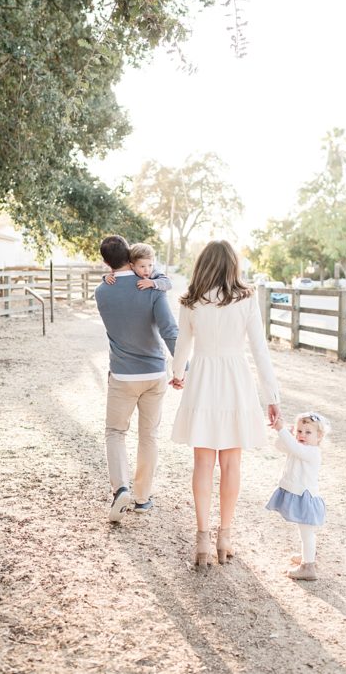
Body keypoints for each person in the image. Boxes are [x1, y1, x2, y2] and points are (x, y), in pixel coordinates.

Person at [168, 239, 281, 569]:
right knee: (231, 464)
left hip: (203, 379)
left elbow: (183, 345)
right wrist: (272, 398)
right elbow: (260, 351)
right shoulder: (245, 299)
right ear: (233, 265)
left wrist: (178, 373)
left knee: (202, 463)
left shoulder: (191, 301)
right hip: (235, 380)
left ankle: (202, 538)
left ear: (203, 265)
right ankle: (224, 537)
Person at [94, 235, 179, 522]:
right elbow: (169, 331)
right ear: (130, 256)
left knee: (116, 432)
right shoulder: (153, 287)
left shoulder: (102, 291)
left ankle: (121, 489)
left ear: (106, 262)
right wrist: (183, 369)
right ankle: (142, 497)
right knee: (149, 435)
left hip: (123, 375)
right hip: (155, 374)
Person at [265, 411, 330, 581]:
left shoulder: (312, 452)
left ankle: (308, 567)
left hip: (306, 498)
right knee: (304, 533)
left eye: (308, 432)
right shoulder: (299, 446)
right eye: (300, 431)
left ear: (319, 436)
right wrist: (286, 432)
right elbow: (280, 446)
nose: (302, 435)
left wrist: (282, 430)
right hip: (299, 494)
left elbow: (293, 448)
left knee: (307, 533)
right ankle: (307, 557)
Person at [103, 242, 172, 291]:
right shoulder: (130, 270)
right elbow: (117, 274)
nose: (147, 270)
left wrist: (152, 283)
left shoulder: (154, 272)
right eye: (142, 266)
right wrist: (106, 277)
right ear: (132, 266)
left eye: (150, 265)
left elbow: (168, 283)